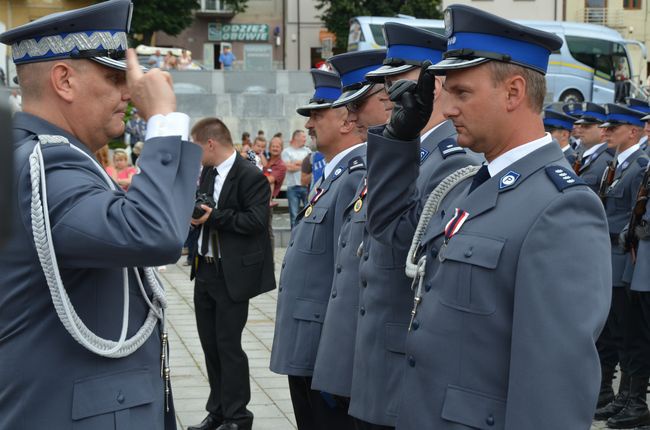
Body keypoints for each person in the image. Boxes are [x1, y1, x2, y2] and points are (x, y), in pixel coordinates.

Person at [374, 6, 611, 428]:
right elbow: (392, 236)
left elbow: (553, 384)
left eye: (461, 93)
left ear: (514, 92)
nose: (445, 109)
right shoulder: (469, 187)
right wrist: (398, 139)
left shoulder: (561, 208)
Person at [0, 1, 202, 428]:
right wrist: (163, 121)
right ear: (64, 80)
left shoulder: (40, 157)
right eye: (114, 78)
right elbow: (153, 234)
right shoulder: (45, 166)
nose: (128, 93)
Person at [348, 23, 482, 430]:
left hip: (404, 354)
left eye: (399, 80)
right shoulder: (409, 148)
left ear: (434, 84)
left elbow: (398, 238)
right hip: (377, 349)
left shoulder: (453, 158)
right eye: (385, 82)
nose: (388, 92)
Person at [270, 64, 370, 429]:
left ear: (346, 121)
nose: (309, 124)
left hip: (325, 349)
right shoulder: (333, 175)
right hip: (309, 343)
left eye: (317, 114)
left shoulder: (354, 177)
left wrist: (338, 358)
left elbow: (348, 277)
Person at [187, 117, 275, 430]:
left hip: (232, 274)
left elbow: (255, 221)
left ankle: (238, 417)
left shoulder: (249, 175)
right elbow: (204, 209)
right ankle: (218, 412)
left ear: (210, 143)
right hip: (205, 269)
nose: (195, 154)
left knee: (229, 346)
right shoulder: (208, 172)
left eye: (196, 147)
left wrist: (214, 218)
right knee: (210, 345)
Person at [593, 104, 650, 429]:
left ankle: (633, 400)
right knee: (625, 335)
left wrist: (636, 229)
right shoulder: (623, 166)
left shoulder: (638, 165)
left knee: (633, 335)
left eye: (612, 128)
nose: (648, 130)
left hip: (630, 259)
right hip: (626, 260)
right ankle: (625, 397)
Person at [572, 102, 615, 193]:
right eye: (581, 125)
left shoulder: (609, 160)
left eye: (586, 126)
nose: (580, 130)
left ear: (603, 129)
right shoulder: (580, 154)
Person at [282, 130, 311, 228]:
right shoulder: (286, 151)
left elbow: (312, 166)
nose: (305, 139)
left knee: (309, 214)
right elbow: (288, 168)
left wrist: (296, 163)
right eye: (303, 137)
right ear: (296, 137)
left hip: (306, 187)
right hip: (292, 187)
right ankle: (294, 241)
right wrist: (304, 164)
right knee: (294, 216)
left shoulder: (308, 151)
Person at [265, 136, 287, 250]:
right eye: (273, 146)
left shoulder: (281, 166)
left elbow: (269, 180)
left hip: (268, 202)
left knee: (268, 231)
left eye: (277, 146)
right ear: (269, 148)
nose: (275, 148)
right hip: (259, 200)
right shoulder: (267, 161)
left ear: (281, 149)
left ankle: (270, 258)